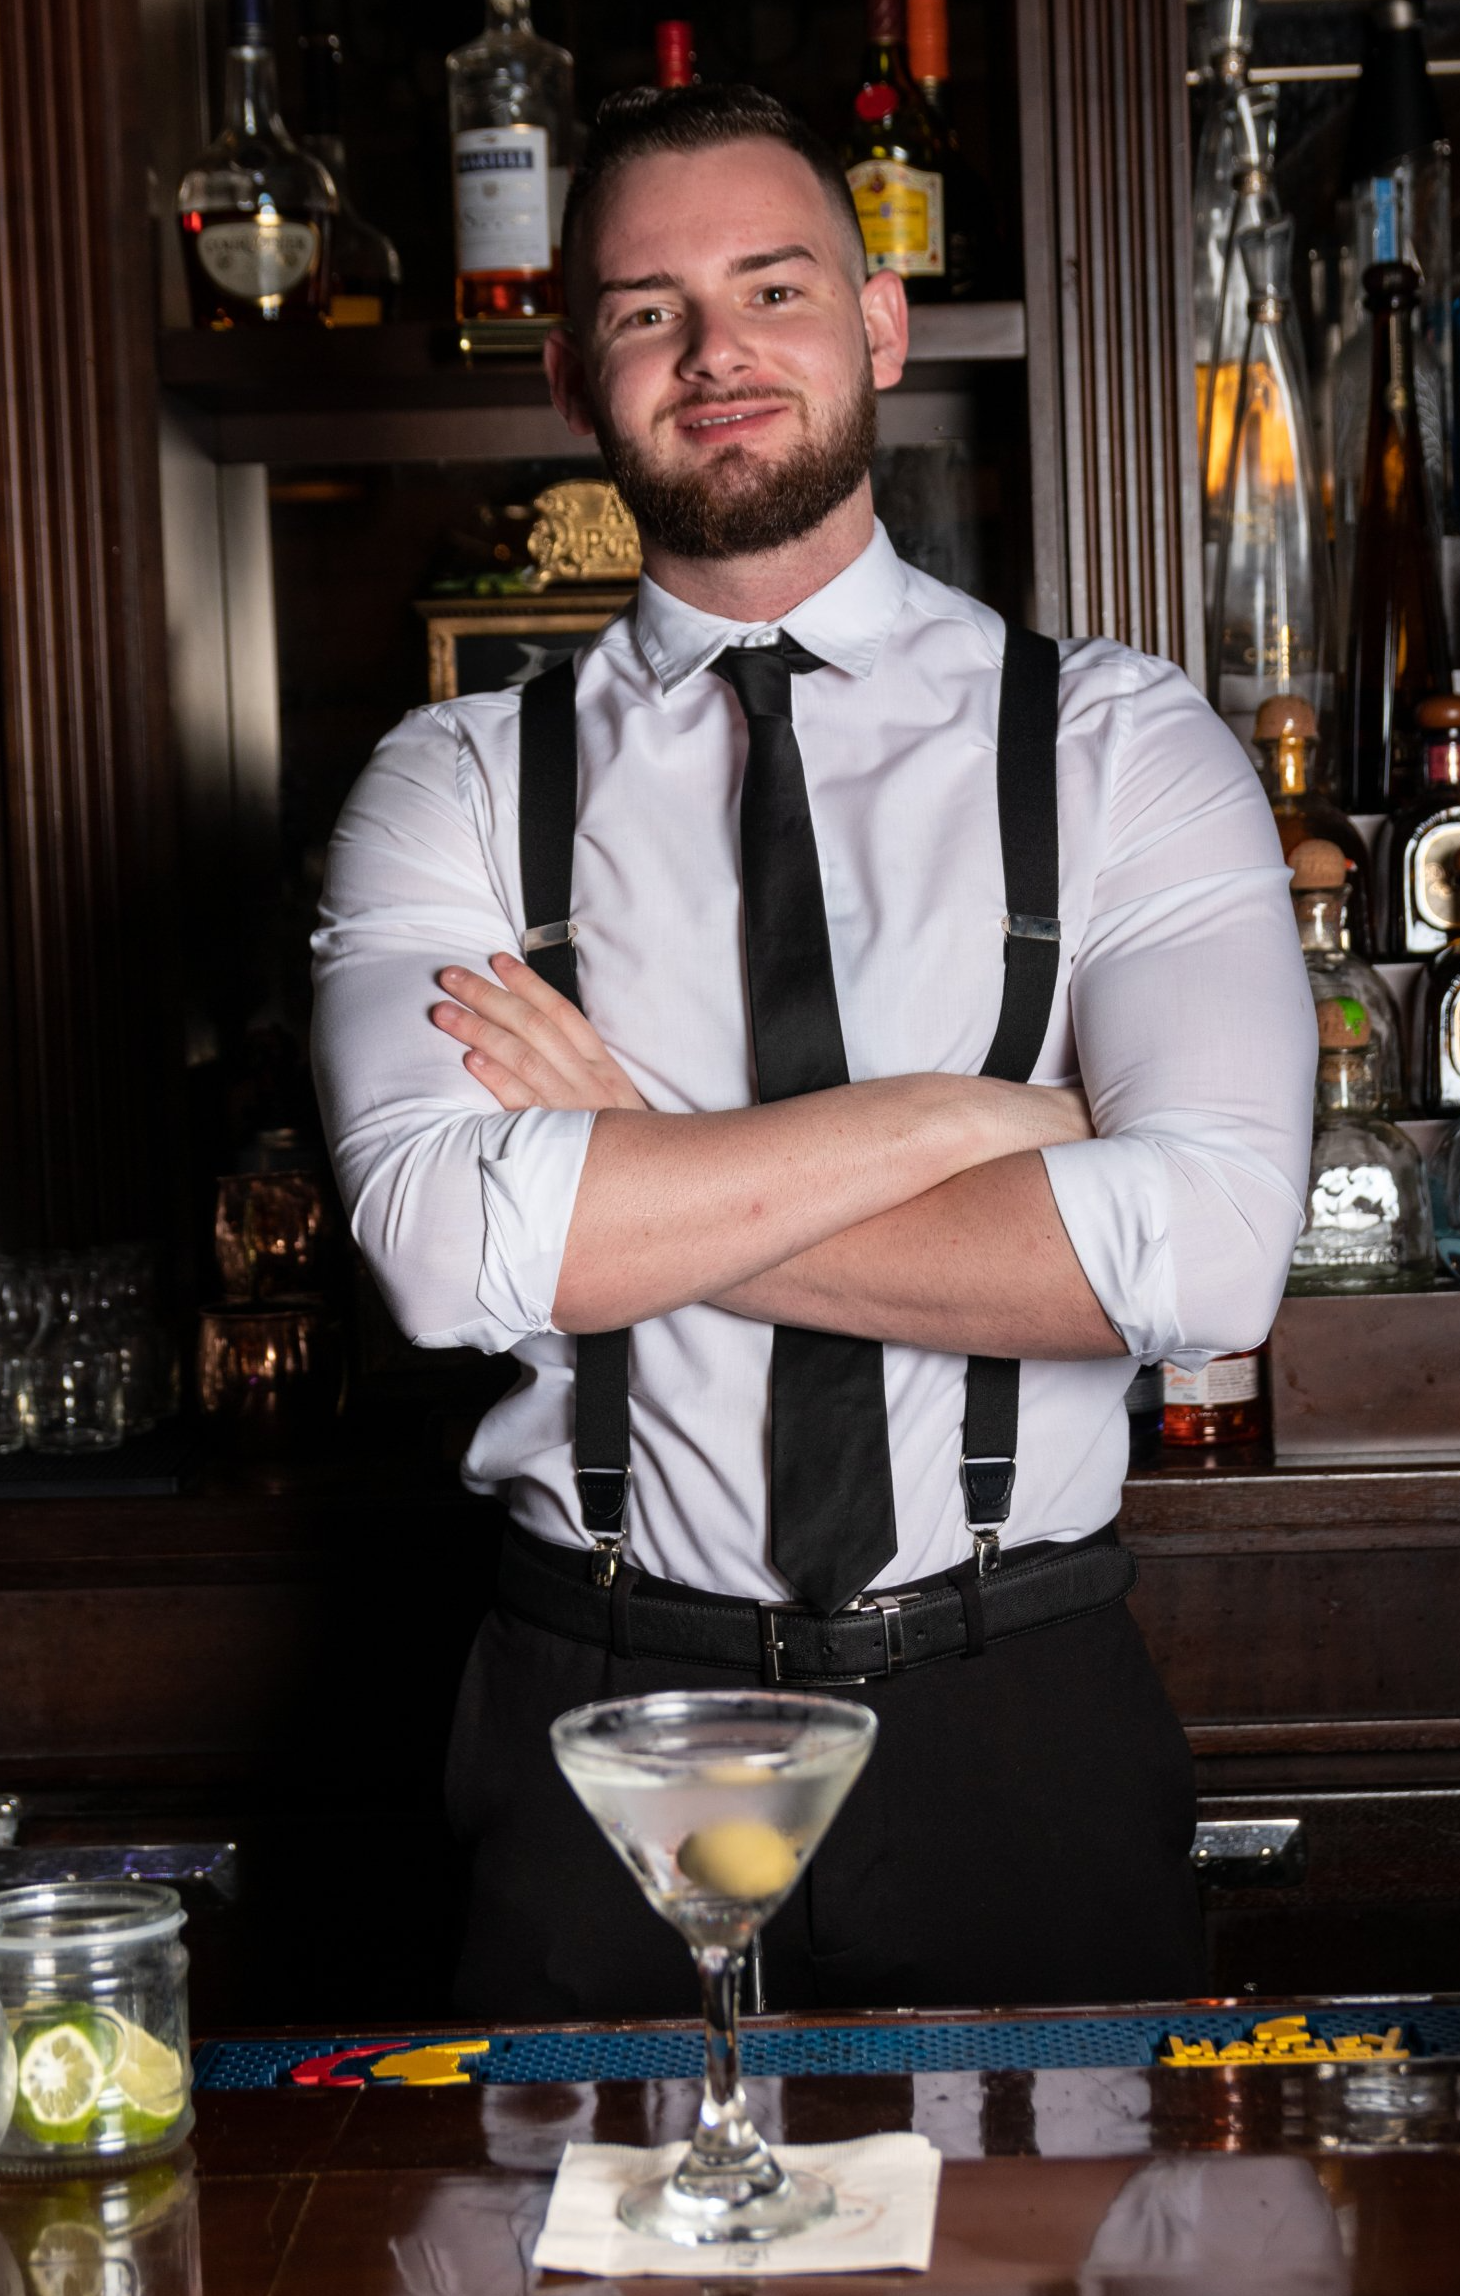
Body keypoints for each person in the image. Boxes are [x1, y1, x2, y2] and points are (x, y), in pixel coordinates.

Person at [311, 83, 1315, 2020]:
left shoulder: (1118, 744)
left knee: (1051, 2239)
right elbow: (449, 1255)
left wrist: (634, 1156)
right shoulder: (450, 777)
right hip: (599, 1710)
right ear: (570, 367)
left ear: (875, 326)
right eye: (644, 307)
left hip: (1009, 1709)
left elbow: (1196, 1263)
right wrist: (979, 1124)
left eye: (772, 287)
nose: (716, 354)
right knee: (590, 2242)